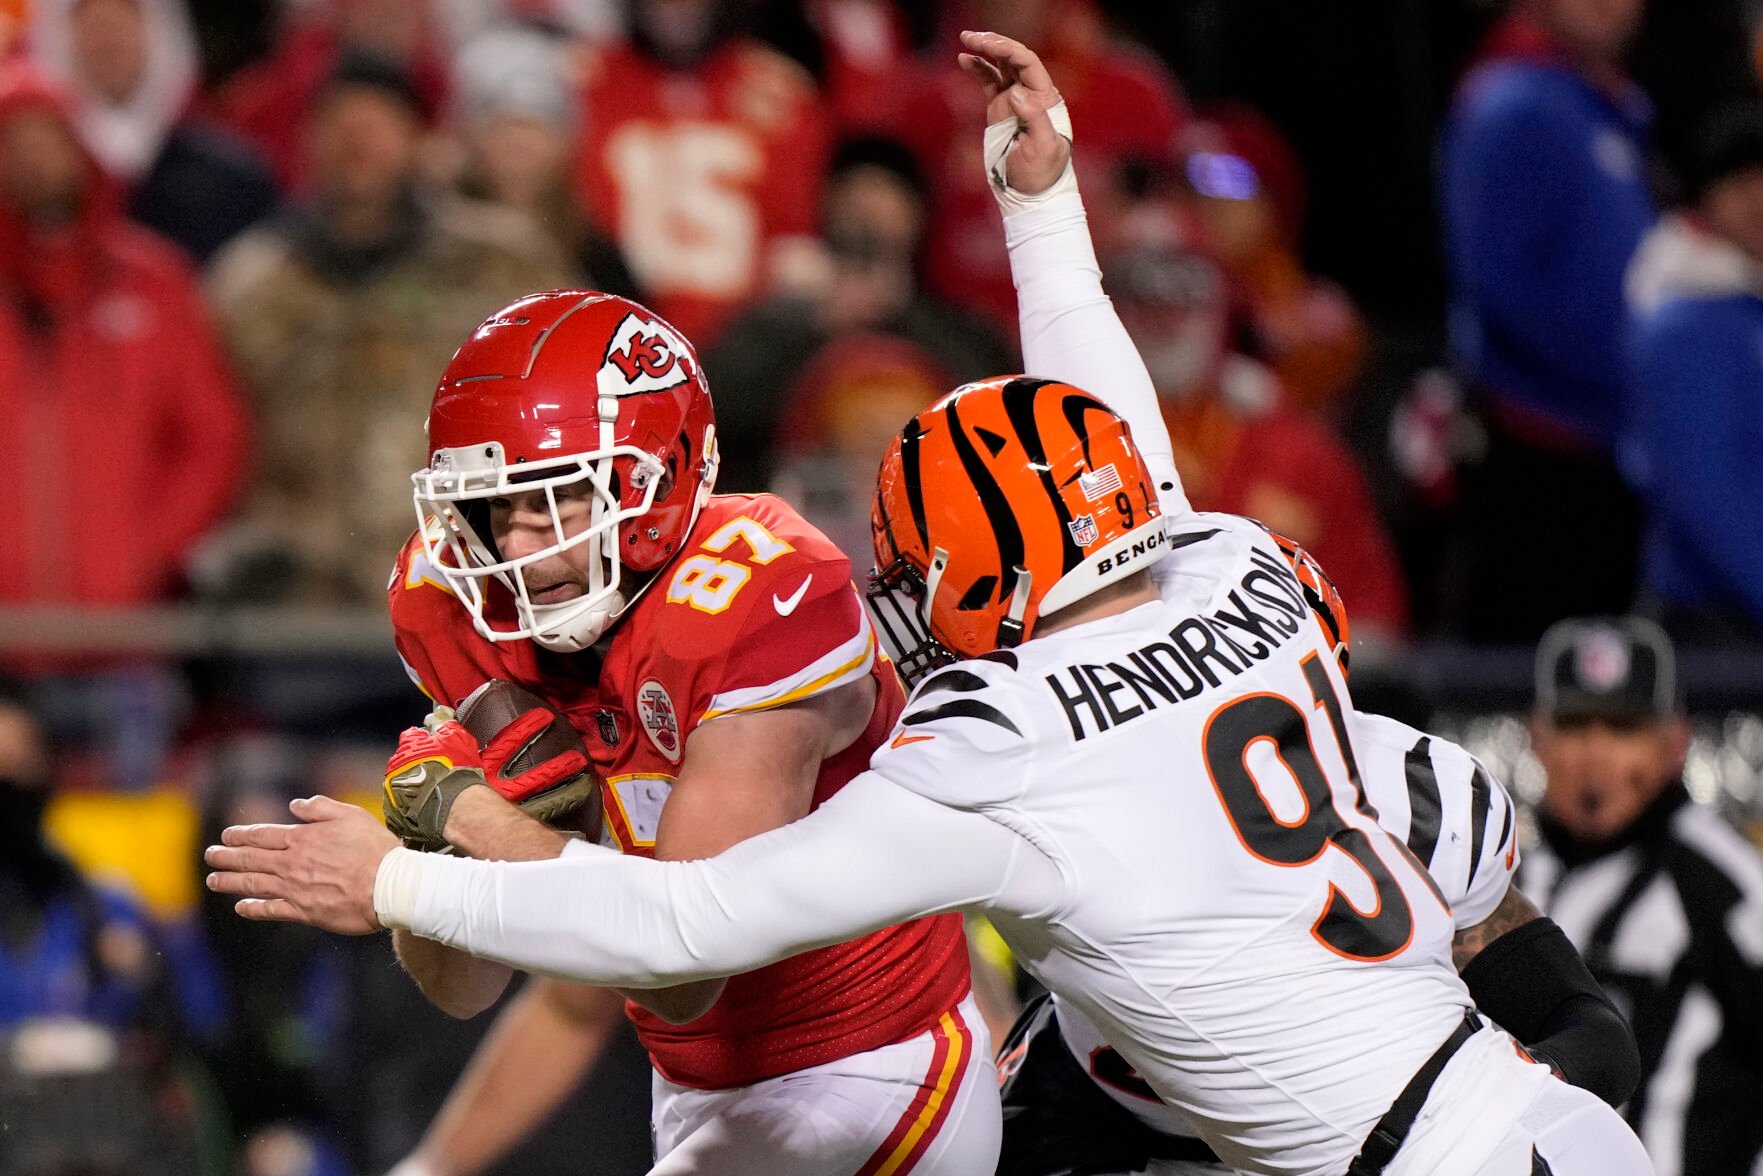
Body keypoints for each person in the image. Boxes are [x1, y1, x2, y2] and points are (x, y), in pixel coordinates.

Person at [207, 32, 1653, 1176]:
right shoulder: (1229, 568)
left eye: (908, 570)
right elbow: (1115, 433)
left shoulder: (994, 746)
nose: (893, 601)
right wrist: (1041, 212)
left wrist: (397, 876)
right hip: (1540, 1117)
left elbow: (686, 932)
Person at [329, 283, 994, 1176]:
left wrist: (452, 830)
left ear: (652, 479)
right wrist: (431, 845)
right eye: (493, 508)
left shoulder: (754, 596)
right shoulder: (472, 616)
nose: (516, 546)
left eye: (554, 500)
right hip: (695, 1089)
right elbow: (466, 986)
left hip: (873, 1069)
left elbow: (686, 968)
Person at [205, 51, 573, 606]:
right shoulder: (248, 282)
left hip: (466, 573)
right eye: (340, 126)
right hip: (297, 593)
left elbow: (575, 391)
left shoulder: (506, 263)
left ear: (421, 139)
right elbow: (205, 432)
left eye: (377, 125)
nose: (358, 145)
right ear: (307, 142)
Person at [1440, 0, 1655, 639]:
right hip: (1539, 457)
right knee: (1530, 670)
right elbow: (1495, 282)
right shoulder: (1513, 101)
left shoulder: (1601, 103)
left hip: (1604, 452)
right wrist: (1631, 372)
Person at [1521, 617, 1763, 1175]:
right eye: (1575, 725)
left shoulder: (1722, 883)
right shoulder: (1508, 880)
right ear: (1537, 737)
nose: (1596, 754)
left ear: (1674, 744)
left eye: (1624, 728)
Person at [1622, 104, 1763, 637]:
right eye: (1739, 184)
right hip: (1715, 622)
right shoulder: (1684, 321)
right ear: (1705, 199)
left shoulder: (1748, 306)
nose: (1758, 201)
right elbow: (1709, 497)